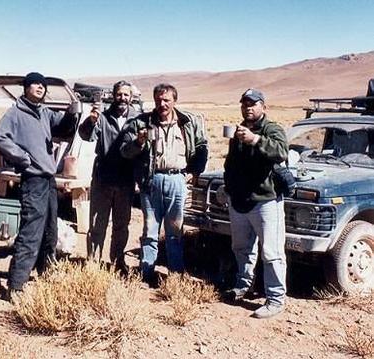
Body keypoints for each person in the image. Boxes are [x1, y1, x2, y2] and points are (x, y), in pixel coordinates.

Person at [0, 72, 80, 298]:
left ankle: (47, 275)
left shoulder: (45, 112)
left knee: (50, 232)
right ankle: (16, 285)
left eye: (43, 85)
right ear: (26, 88)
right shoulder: (15, 113)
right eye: (35, 84)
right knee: (31, 232)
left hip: (48, 180)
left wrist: (73, 114)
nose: (40, 88)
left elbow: (63, 130)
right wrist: (22, 158)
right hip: (33, 180)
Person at [120, 83, 208, 283]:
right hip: (151, 181)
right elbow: (125, 152)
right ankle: (147, 273)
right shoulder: (140, 123)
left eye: (166, 100)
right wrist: (139, 142)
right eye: (159, 100)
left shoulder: (187, 122)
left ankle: (175, 274)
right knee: (150, 229)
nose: (162, 104)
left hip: (177, 180)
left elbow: (202, 146)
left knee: (175, 231)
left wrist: (195, 170)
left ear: (174, 101)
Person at [224, 88, 289, 319]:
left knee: (271, 253)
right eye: (244, 104)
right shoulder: (239, 130)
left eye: (253, 103)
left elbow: (281, 152)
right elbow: (231, 164)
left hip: (266, 201)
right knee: (241, 248)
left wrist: (256, 140)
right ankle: (244, 285)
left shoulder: (272, 129)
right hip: (240, 200)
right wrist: (228, 188)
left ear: (264, 106)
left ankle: (276, 298)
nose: (248, 107)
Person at [78, 80, 139, 274]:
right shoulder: (102, 117)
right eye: (119, 94)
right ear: (113, 95)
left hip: (126, 181)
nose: (122, 98)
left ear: (132, 97)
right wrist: (90, 121)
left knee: (122, 225)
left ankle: (118, 261)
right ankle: (93, 262)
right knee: (97, 224)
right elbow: (86, 135)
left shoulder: (138, 119)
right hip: (103, 180)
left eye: (126, 95)